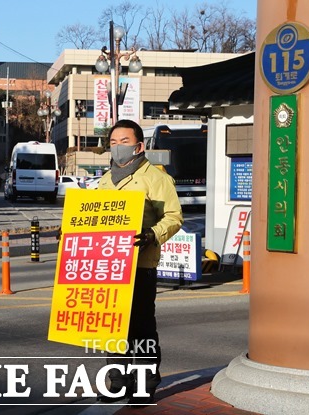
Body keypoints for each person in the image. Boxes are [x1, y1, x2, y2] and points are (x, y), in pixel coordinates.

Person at [97, 119, 183, 406]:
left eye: (124, 142)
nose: (118, 147)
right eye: (113, 142)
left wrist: (152, 235)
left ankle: (145, 384)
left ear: (139, 146)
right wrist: (71, 233)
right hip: (109, 266)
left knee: (142, 328)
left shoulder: (156, 179)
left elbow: (173, 217)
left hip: (141, 265)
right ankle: (118, 382)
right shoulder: (105, 180)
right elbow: (93, 219)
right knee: (113, 327)